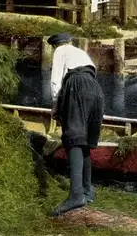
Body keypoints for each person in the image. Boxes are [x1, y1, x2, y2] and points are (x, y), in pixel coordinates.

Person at [48, 32, 104, 217]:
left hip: (77, 85)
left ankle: (75, 195)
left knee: (73, 138)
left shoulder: (60, 51)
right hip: (95, 89)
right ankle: (87, 191)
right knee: (84, 140)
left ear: (56, 45)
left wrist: (55, 107)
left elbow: (56, 80)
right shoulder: (80, 53)